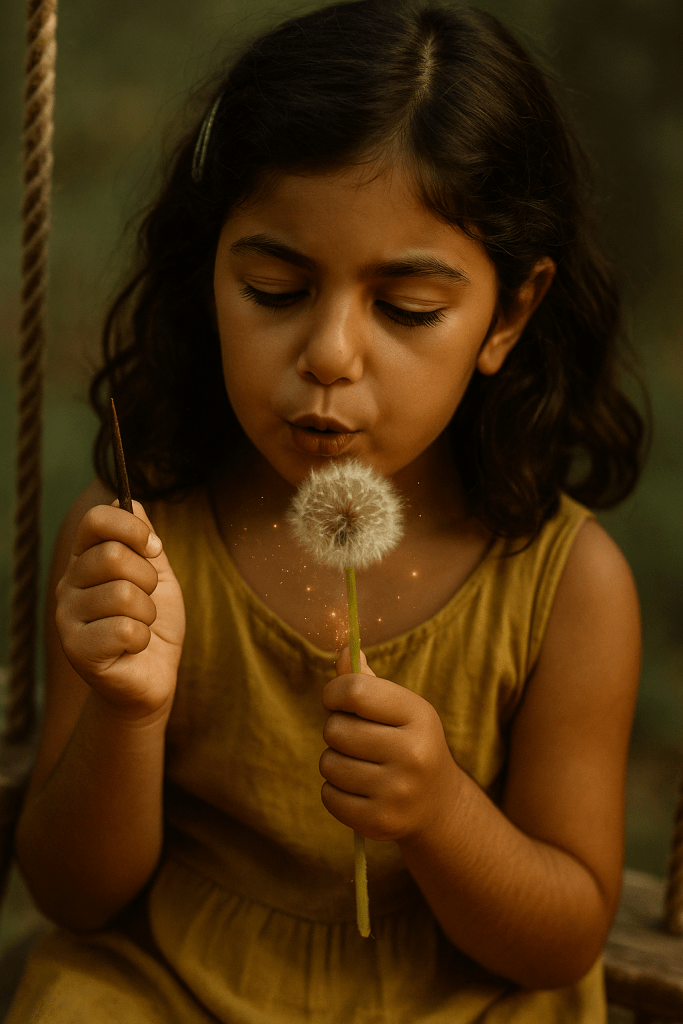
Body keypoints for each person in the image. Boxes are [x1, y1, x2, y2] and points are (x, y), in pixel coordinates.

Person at [7, 1, 649, 1021]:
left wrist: (440, 812)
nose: (330, 354)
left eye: (405, 309)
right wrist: (127, 708)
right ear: (207, 268)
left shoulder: (566, 586)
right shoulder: (141, 536)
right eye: (272, 287)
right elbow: (73, 891)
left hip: (457, 994)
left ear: (508, 315)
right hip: (174, 980)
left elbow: (562, 932)